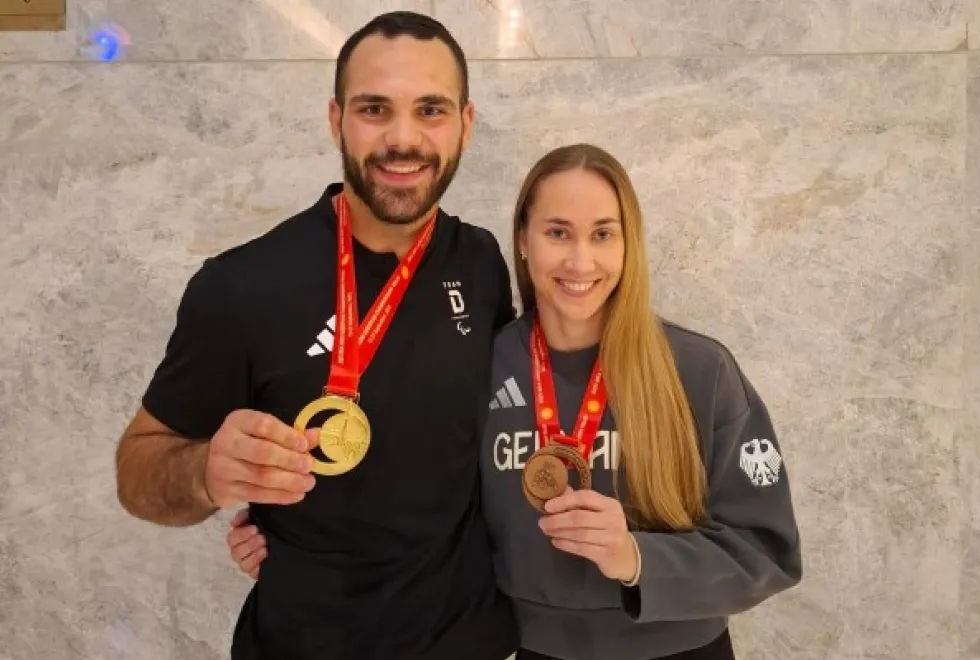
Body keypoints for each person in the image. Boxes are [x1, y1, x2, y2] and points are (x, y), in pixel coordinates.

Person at [228, 143, 803, 660]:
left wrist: (637, 558)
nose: (581, 261)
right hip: (525, 650)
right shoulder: (478, 361)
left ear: (629, 246)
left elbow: (767, 551)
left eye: (603, 233)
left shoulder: (698, 370)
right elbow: (411, 498)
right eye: (558, 233)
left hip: (681, 652)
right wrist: (291, 540)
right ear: (523, 242)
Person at [114, 11, 519, 660]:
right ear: (336, 120)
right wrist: (207, 476)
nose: (403, 138)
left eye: (431, 110)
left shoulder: (480, 261)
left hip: (470, 638)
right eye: (374, 108)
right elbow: (137, 469)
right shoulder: (242, 286)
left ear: (466, 126)